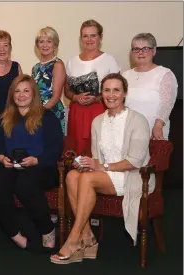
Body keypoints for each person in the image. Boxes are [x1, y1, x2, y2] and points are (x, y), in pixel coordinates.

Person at [51, 73, 154, 264]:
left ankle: (73, 240)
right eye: (107, 90)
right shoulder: (98, 121)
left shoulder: (137, 120)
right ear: (102, 93)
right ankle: (88, 237)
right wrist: (86, 163)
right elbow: (97, 157)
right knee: (72, 176)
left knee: (87, 179)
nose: (111, 94)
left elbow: (135, 161)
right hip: (105, 174)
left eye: (116, 90)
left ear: (125, 93)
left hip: (132, 175)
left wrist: (101, 166)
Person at [0, 74, 63, 252]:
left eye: (26, 91)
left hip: (41, 166)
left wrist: (37, 160)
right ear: (12, 95)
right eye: (17, 91)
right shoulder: (4, 117)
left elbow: (56, 147)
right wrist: (0, 157)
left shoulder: (47, 116)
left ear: (34, 94)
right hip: (12, 166)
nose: (21, 95)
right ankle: (14, 233)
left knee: (25, 184)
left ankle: (47, 229)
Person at [65, 19, 120, 154]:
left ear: (100, 37)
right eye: (85, 36)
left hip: (100, 111)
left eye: (93, 35)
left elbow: (118, 90)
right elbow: (66, 90)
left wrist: (96, 99)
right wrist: (75, 97)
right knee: (76, 152)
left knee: (98, 151)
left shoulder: (109, 60)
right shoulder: (72, 62)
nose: (89, 39)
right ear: (81, 38)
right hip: (77, 113)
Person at [122, 33, 178, 140]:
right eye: (136, 49)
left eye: (145, 48)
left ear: (154, 51)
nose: (140, 52)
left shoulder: (165, 74)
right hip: (128, 133)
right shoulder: (125, 75)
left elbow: (166, 105)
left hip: (153, 133)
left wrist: (158, 125)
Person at [32, 26, 66, 134]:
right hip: (36, 112)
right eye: (41, 41)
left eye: (49, 41)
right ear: (37, 45)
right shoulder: (35, 67)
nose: (45, 45)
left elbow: (56, 96)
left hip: (52, 112)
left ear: (55, 44)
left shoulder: (58, 64)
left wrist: (40, 112)